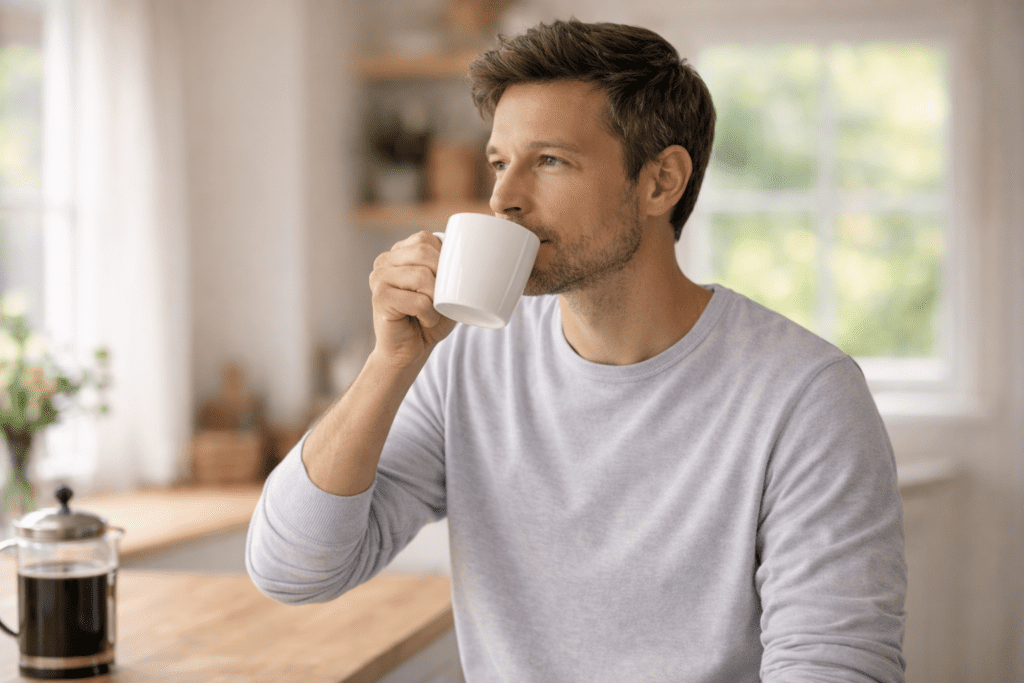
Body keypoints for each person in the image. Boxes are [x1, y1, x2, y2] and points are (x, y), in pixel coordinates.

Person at [246, 18, 906, 682]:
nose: (503, 198)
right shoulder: (466, 361)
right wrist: (389, 363)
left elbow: (834, 666)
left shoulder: (806, 395)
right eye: (500, 163)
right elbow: (292, 570)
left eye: (550, 161)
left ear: (660, 182)